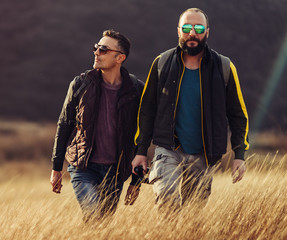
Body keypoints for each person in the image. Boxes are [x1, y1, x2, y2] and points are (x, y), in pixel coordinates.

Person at [131, 8, 250, 210]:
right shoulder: (161, 63)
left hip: (204, 153)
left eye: (198, 28)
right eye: (186, 27)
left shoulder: (224, 67)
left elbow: (238, 114)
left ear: (207, 32)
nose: (192, 33)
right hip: (168, 148)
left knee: (193, 213)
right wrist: (141, 151)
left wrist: (239, 155)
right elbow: (147, 109)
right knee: (167, 199)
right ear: (178, 31)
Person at [50, 29, 144, 221]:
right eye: (96, 48)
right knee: (94, 216)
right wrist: (56, 167)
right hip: (83, 168)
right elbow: (64, 124)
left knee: (103, 225)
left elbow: (142, 136)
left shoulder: (136, 90)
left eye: (103, 49)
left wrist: (137, 180)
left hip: (116, 172)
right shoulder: (81, 84)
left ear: (120, 58)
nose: (96, 53)